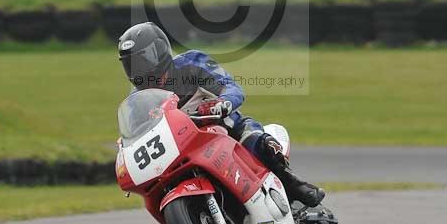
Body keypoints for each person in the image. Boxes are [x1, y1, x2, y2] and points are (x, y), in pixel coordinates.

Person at [118, 22, 325, 208]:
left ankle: (294, 186)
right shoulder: (139, 100)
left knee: (257, 143)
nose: (138, 70)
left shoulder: (191, 64)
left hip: (224, 128)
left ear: (160, 51)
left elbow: (230, 87)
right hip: (183, 150)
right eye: (130, 65)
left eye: (143, 60)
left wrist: (223, 103)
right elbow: (137, 133)